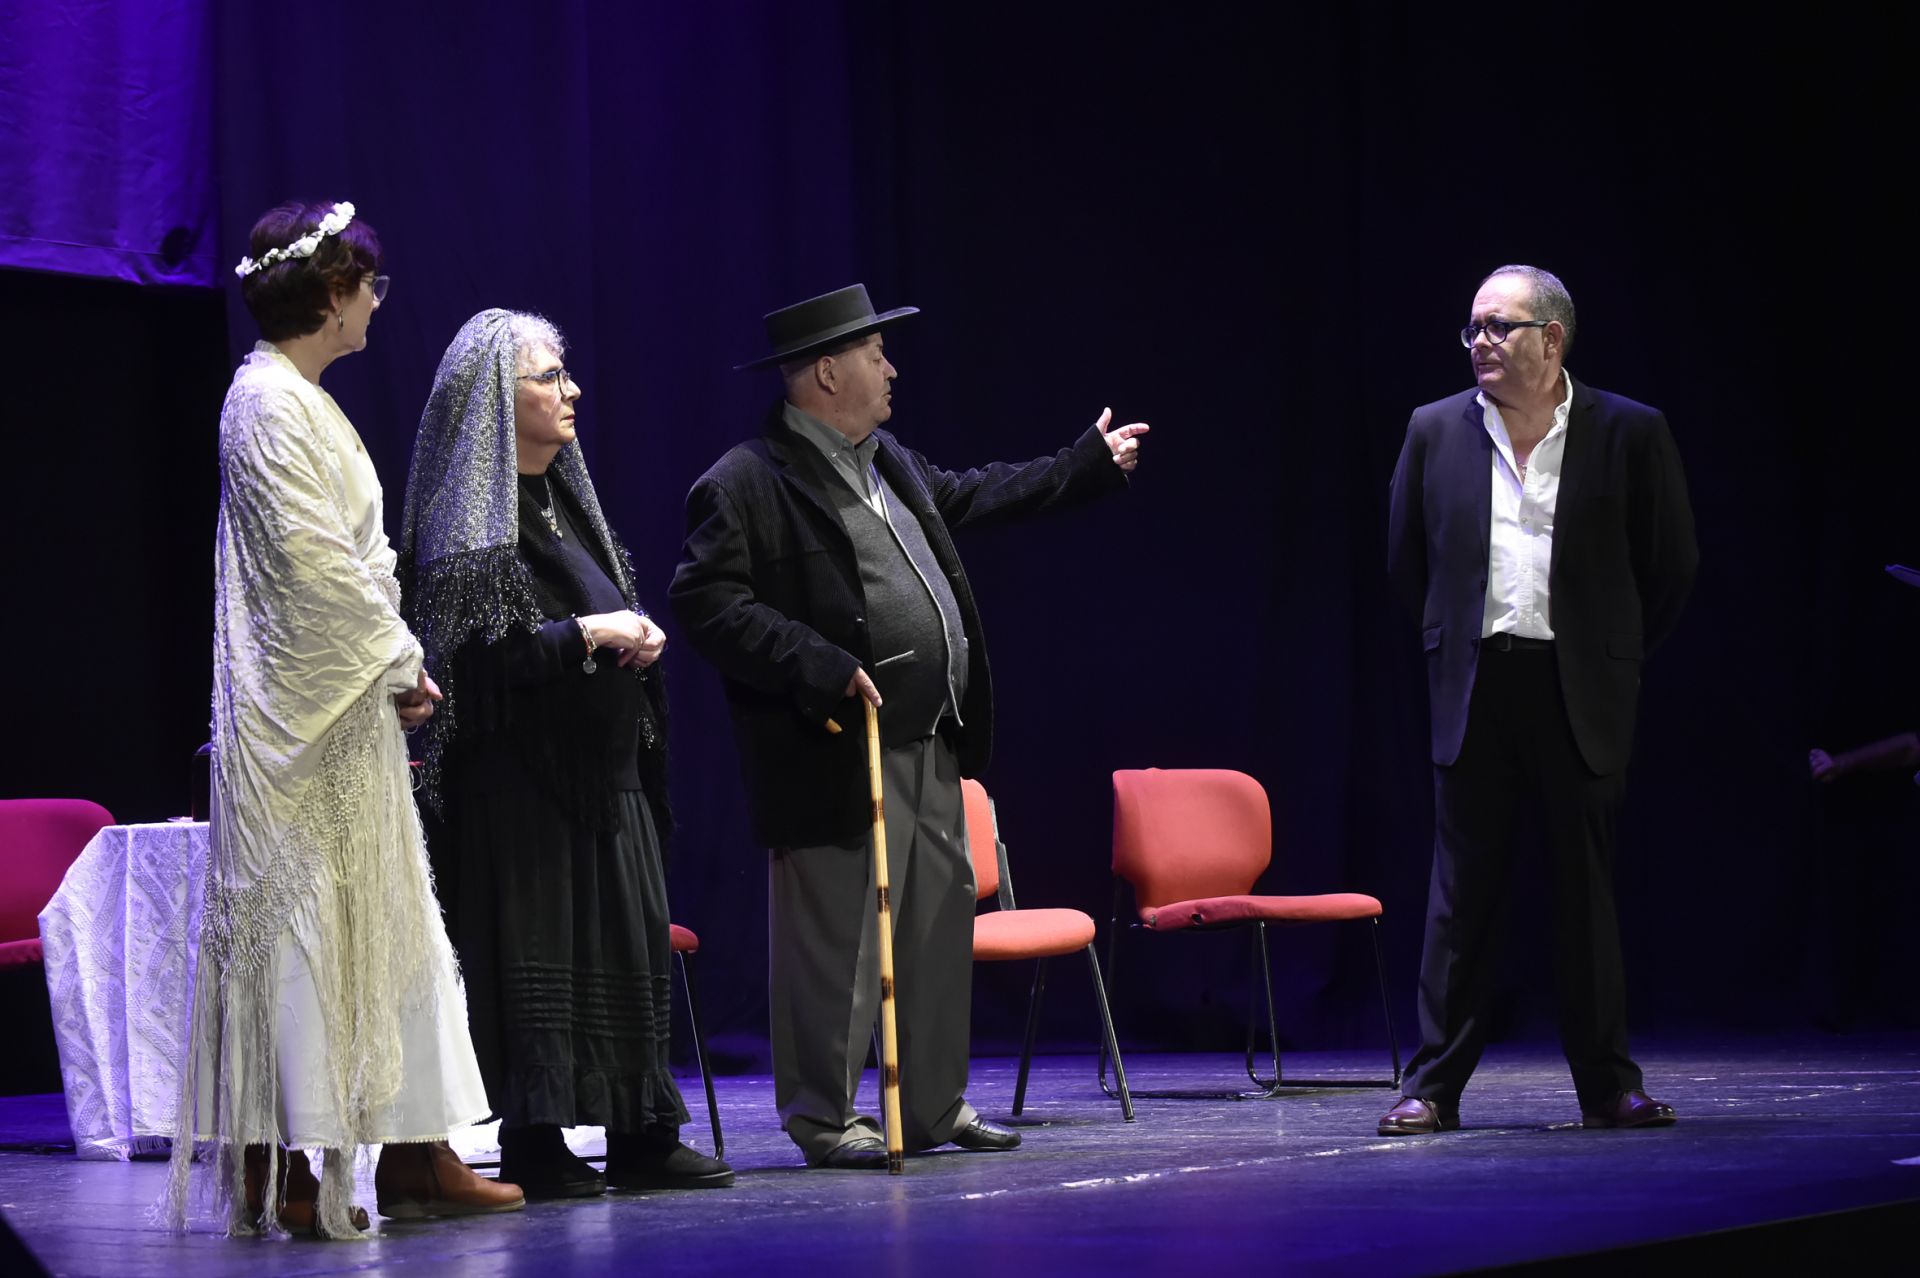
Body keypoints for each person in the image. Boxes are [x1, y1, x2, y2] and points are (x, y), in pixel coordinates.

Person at [668, 283, 1147, 1168]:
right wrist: (816, 664)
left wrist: (1081, 466)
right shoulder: (747, 481)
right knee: (835, 946)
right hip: (835, 752)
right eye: (874, 353)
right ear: (824, 371)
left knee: (934, 927)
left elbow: (978, 494)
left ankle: (934, 1105)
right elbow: (704, 601)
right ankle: (823, 1116)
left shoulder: (886, 460)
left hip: (929, 741)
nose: (891, 367)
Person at [166, 201, 523, 1238]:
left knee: (386, 926)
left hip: (342, 709)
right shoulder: (266, 404)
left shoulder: (304, 401)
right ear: (332, 294)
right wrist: (399, 660)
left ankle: (415, 1148)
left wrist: (387, 657)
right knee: (301, 934)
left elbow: (349, 560)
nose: (375, 303)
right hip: (299, 725)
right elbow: (314, 568)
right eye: (368, 285)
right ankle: (281, 1158)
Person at [400, 309, 731, 1198]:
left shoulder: (561, 503)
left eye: (563, 373)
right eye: (547, 377)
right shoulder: (472, 523)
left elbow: (590, 616)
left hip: (603, 780)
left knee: (625, 953)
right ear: (494, 403)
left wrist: (634, 635)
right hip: (525, 789)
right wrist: (591, 631)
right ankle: (538, 1143)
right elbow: (478, 662)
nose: (569, 389)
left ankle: (640, 1135)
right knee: (541, 960)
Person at [1381, 265, 1698, 1136]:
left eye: (1498, 327)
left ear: (1550, 339)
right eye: (1473, 329)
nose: (1480, 342)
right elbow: (1407, 565)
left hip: (1578, 689)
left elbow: (1668, 568)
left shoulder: (1629, 431)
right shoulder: (1433, 430)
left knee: (1583, 896)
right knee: (1461, 898)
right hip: (1477, 685)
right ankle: (1432, 1087)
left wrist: (1609, 655)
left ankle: (1608, 1087)